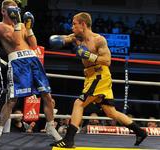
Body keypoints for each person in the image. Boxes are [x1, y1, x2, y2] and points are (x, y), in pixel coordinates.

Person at [49, 12, 147, 148]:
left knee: (79, 103)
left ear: (83, 24)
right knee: (110, 112)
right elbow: (65, 38)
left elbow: (107, 60)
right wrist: (58, 39)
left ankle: (69, 139)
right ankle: (140, 131)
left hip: (99, 75)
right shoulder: (77, 37)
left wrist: (89, 55)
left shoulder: (99, 40)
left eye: (74, 24)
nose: (72, 27)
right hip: (91, 76)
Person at [0, 0, 61, 144]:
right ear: (3, 11)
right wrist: (19, 23)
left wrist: (29, 27)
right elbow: (15, 42)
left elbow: (33, 45)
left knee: (46, 95)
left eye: (16, 9)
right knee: (12, 100)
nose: (15, 11)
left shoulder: (19, 26)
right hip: (18, 63)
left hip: (32, 60)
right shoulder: (0, 26)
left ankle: (51, 127)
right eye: (12, 9)